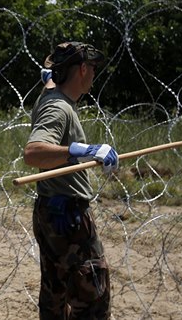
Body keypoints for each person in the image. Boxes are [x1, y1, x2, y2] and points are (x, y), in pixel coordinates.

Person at [23, 42, 119, 319]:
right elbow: (33, 153)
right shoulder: (59, 109)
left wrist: (50, 79)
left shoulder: (51, 96)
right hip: (70, 220)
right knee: (92, 301)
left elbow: (50, 80)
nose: (93, 75)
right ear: (83, 70)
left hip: (51, 212)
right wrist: (81, 150)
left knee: (56, 298)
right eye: (92, 69)